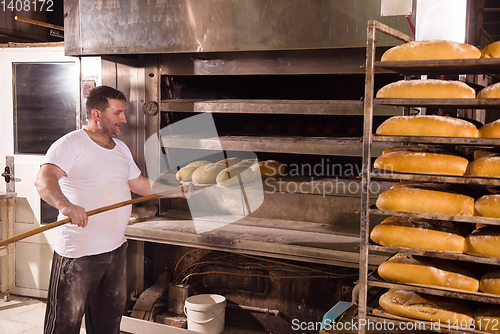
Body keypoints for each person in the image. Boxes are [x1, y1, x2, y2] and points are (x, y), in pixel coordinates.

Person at [35, 85, 189, 334]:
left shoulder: (121, 149)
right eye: (117, 113)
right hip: (78, 256)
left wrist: (177, 189)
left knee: (108, 325)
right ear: (97, 114)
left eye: (124, 112)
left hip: (115, 251)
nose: (124, 119)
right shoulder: (71, 144)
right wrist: (67, 206)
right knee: (63, 326)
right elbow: (44, 180)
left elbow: (138, 184)